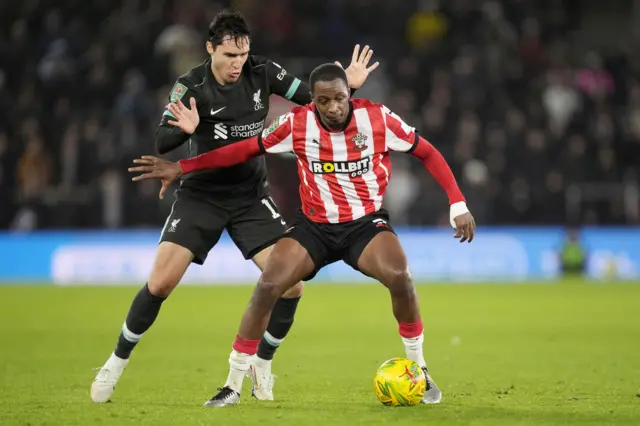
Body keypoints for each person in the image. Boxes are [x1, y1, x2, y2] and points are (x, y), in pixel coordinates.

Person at [128, 63, 476, 407]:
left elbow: (426, 151)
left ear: (349, 95)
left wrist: (457, 203)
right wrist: (183, 166)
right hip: (314, 228)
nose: (334, 107)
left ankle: (422, 369)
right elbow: (242, 150)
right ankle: (232, 384)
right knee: (268, 285)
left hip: (365, 225)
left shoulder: (378, 119)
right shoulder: (296, 124)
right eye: (324, 101)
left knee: (401, 276)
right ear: (313, 101)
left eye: (340, 98)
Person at [91, 10, 379, 404]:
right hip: (201, 196)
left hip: (250, 198)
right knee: (159, 283)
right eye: (228, 56)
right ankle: (114, 364)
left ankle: (263, 365)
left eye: (242, 56)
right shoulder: (189, 86)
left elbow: (314, 98)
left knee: (292, 286)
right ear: (210, 49)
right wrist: (184, 130)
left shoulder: (263, 72)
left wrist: (347, 84)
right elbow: (162, 142)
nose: (236, 64)